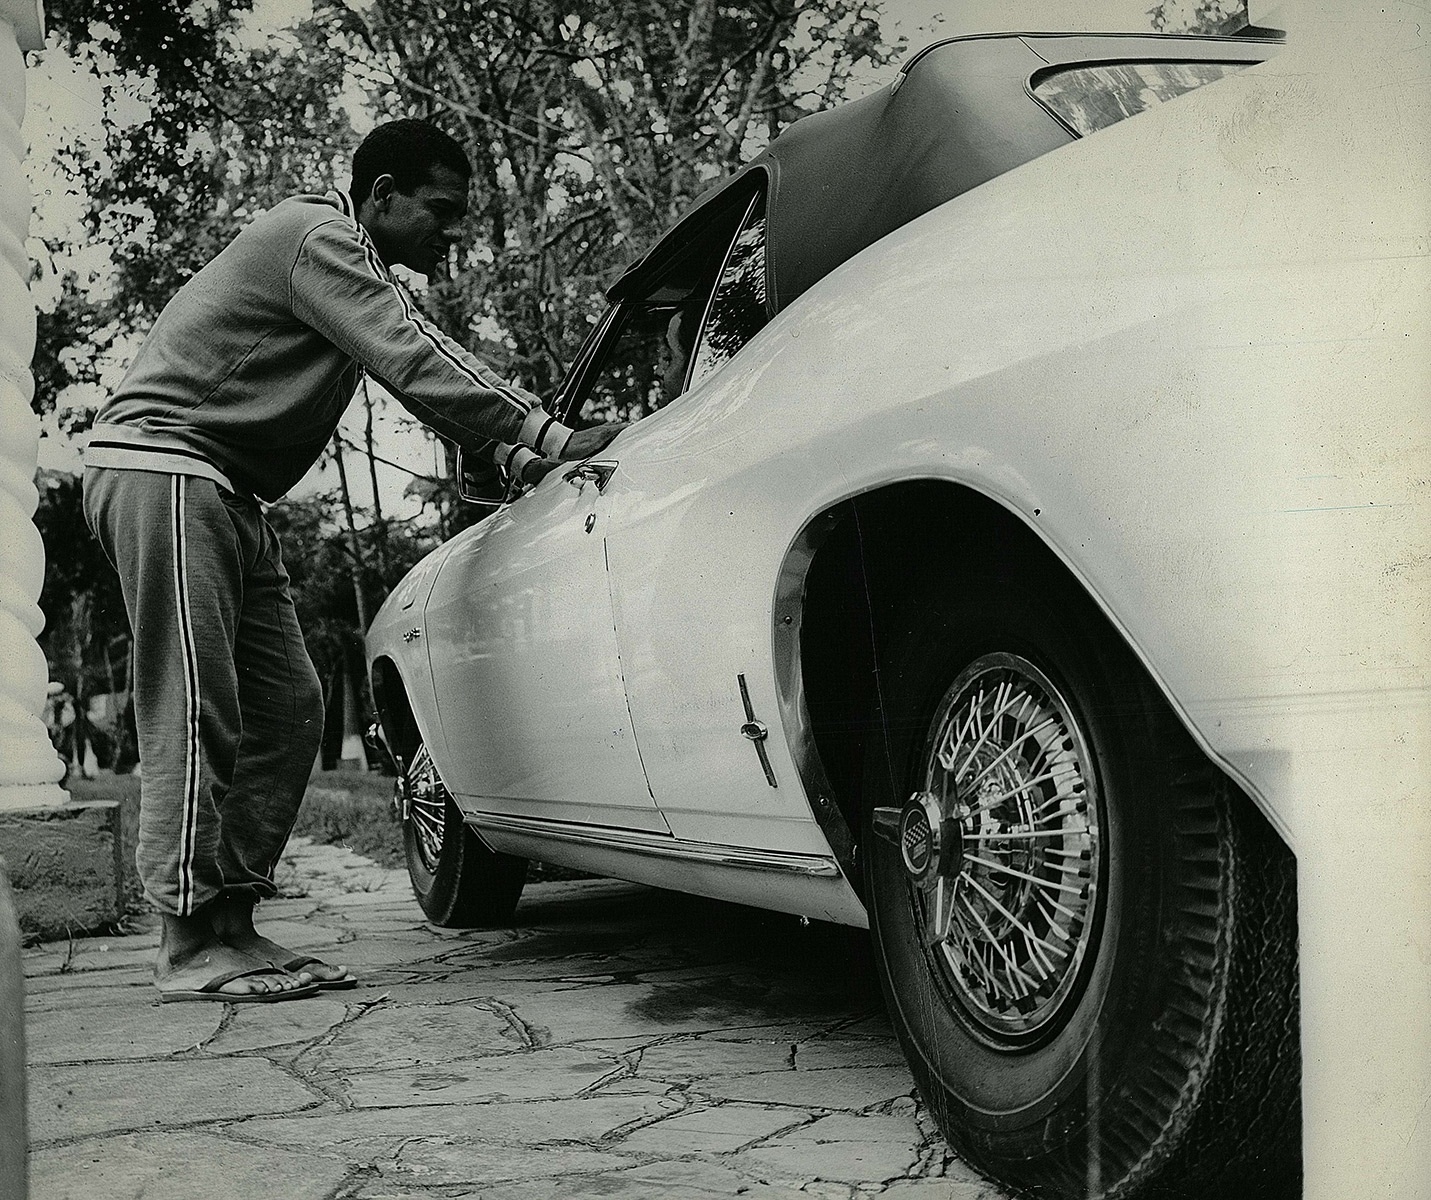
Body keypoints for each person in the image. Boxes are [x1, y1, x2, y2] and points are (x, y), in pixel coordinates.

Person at [82, 119, 623, 1003]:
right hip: (166, 470)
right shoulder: (317, 235)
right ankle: (185, 940)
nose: (452, 231)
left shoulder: (339, 265)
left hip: (227, 494)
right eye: (440, 209)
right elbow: (413, 356)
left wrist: (520, 461)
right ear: (381, 197)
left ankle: (233, 924)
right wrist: (549, 434)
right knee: (198, 703)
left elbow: (410, 381)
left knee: (292, 705)